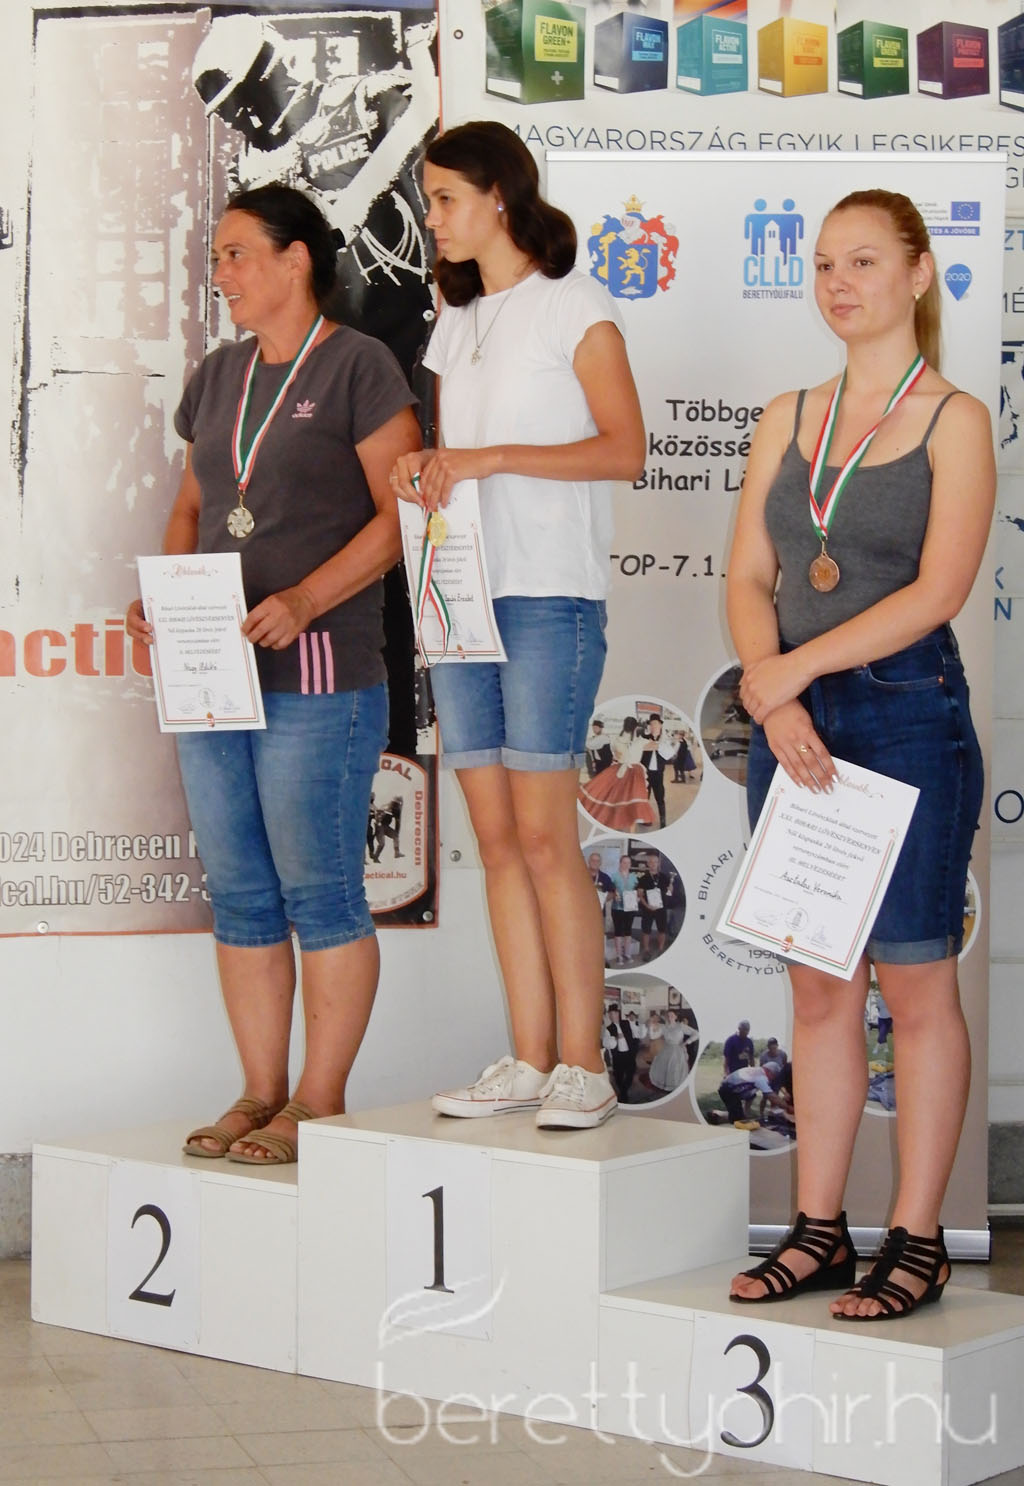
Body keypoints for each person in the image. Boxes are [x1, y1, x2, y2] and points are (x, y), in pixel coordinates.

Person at [725, 189, 992, 1319]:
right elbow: (749, 575)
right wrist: (772, 684)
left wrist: (793, 669)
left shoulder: (955, 420)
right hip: (792, 718)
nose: (840, 283)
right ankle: (820, 1230)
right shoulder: (787, 414)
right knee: (819, 986)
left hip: (904, 712)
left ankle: (918, 1238)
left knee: (916, 986)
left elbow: (939, 591)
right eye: (826, 264)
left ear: (919, 274)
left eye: (866, 262)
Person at [126, 183, 420, 1164]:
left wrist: (304, 598)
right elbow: (192, 506)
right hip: (213, 677)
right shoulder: (218, 375)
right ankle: (259, 1092)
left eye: (236, 253)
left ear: (297, 260)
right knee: (243, 893)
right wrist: (162, 593)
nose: (221, 273)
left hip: (322, 673)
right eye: (216, 256)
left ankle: (317, 1099)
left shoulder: (360, 365)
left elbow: (402, 517)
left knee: (318, 892)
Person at [390, 121, 645, 1129]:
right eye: (429, 200)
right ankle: (531, 1056)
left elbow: (625, 448)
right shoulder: (455, 322)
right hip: (460, 592)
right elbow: (453, 456)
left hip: (548, 594)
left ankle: (584, 1063)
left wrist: (488, 459)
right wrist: (426, 468)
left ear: (499, 195)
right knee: (495, 838)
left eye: (445, 198)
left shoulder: (574, 305)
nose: (433, 218)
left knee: (545, 836)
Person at [578, 717, 658, 831]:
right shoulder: (639, 741)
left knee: (615, 797)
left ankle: (616, 821)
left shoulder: (616, 739)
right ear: (635, 727)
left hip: (618, 769)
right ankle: (630, 828)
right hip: (633, 771)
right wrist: (653, 735)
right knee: (632, 798)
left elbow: (615, 754)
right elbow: (656, 746)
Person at [647, 1007, 697, 1095]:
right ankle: (666, 1085)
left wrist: (686, 1042)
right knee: (665, 1067)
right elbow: (653, 1036)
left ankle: (675, 1086)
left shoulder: (680, 1026)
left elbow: (696, 1033)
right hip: (666, 1049)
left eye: (672, 1015)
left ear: (676, 1017)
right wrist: (651, 1027)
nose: (670, 1017)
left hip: (677, 1050)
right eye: (668, 1015)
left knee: (675, 1068)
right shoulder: (664, 1027)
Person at [610, 852, 640, 966]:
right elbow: (611, 890)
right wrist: (614, 894)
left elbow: (637, 891)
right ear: (620, 863)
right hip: (617, 908)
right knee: (618, 931)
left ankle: (627, 954)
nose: (626, 864)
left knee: (628, 931)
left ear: (630, 864)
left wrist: (637, 898)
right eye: (624, 862)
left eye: (628, 863)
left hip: (630, 908)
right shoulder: (614, 876)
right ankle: (619, 956)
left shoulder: (634, 877)